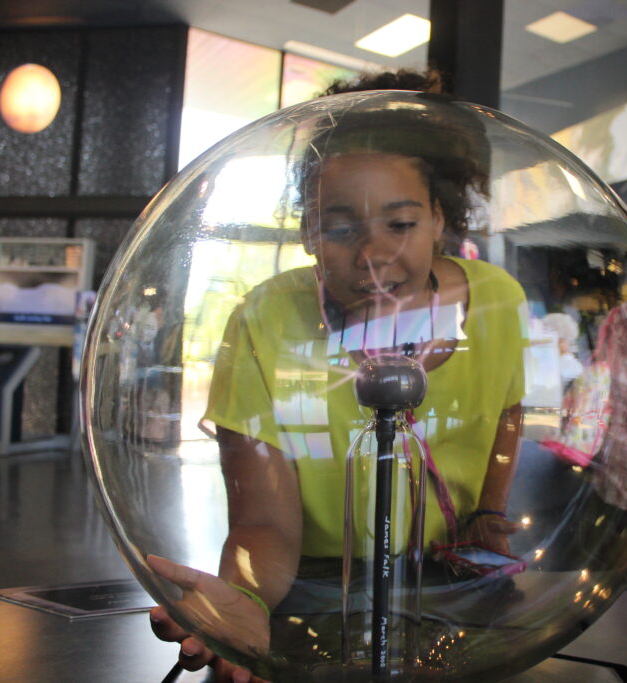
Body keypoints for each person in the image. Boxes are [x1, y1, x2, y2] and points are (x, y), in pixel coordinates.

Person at [149, 80, 527, 682]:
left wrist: (488, 508)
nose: (373, 254)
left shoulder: (496, 304)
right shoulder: (266, 320)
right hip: (315, 591)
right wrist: (244, 604)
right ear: (309, 234)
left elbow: (507, 408)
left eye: (400, 223)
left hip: (455, 587)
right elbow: (264, 524)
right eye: (341, 227)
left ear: (440, 219)